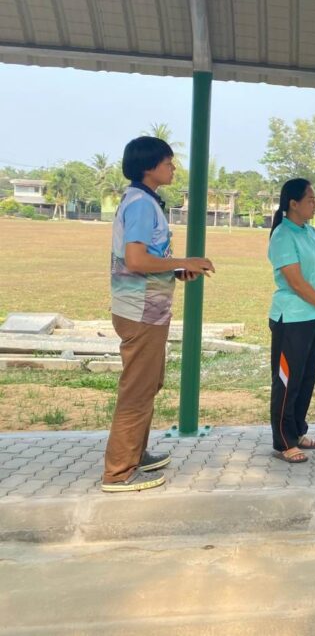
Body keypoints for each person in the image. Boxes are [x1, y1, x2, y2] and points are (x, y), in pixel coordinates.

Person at [102, 136, 215, 493]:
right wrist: (185, 260)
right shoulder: (140, 204)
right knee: (137, 390)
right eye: (168, 162)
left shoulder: (145, 200)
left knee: (149, 384)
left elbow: (148, 258)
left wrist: (176, 271)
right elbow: (136, 260)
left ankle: (135, 453)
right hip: (140, 311)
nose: (174, 168)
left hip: (148, 309)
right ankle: (119, 472)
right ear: (149, 167)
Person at [267, 178, 315, 463]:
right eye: (310, 199)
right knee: (287, 381)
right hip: (291, 318)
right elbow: (295, 282)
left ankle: (297, 431)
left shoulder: (311, 232)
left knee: (306, 379)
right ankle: (284, 441)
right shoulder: (282, 235)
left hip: (313, 317)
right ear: (293, 204)